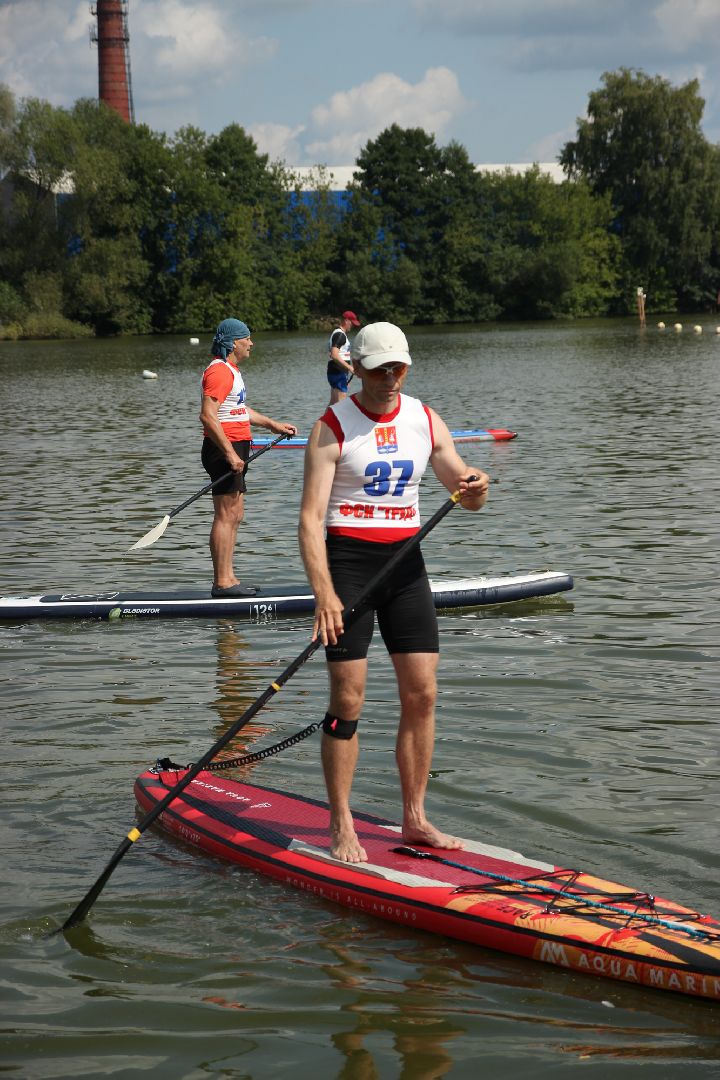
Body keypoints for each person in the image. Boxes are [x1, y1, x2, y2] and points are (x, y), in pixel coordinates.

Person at [298, 321, 490, 862]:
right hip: (348, 567)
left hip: (406, 565)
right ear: (355, 369)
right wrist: (325, 594)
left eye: (398, 367)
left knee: (423, 693)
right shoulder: (331, 427)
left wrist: (476, 486)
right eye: (380, 368)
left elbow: (462, 487)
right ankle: (341, 823)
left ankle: (414, 819)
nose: (390, 378)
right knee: (349, 700)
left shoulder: (424, 418)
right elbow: (310, 521)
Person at [200, 318, 297, 598]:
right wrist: (230, 453)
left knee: (236, 514)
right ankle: (222, 583)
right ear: (233, 343)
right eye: (247, 338)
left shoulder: (231, 371)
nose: (251, 343)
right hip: (223, 448)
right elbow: (208, 415)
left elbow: (239, 410)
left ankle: (229, 578)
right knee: (226, 514)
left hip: (235, 446)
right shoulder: (219, 372)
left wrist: (272, 424)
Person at [327, 310, 360, 404]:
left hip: (337, 371)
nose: (352, 326)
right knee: (341, 404)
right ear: (346, 321)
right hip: (338, 372)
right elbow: (334, 355)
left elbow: (334, 354)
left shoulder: (338, 333)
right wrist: (349, 367)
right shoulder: (340, 335)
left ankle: (323, 419)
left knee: (333, 403)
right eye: (352, 323)